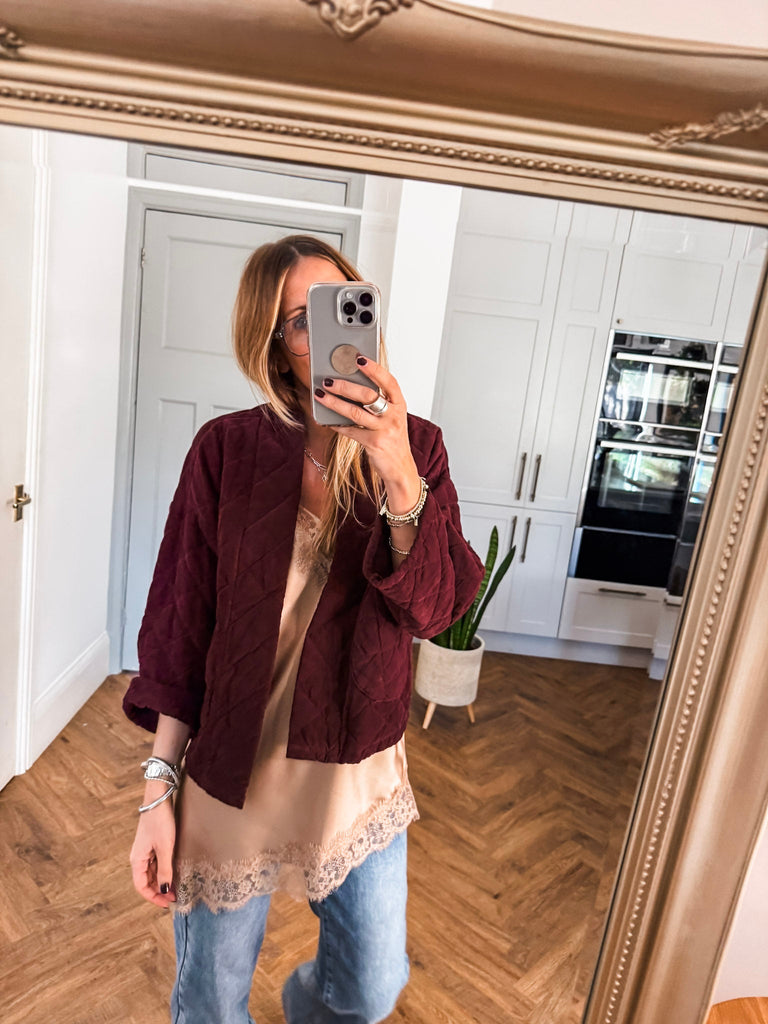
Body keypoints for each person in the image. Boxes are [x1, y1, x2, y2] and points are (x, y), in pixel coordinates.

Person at [124, 234, 484, 1024]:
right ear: (273, 348)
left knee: (369, 989)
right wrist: (157, 792)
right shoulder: (225, 450)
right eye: (299, 321)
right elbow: (181, 628)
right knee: (210, 1002)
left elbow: (435, 610)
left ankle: (301, 1004)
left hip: (356, 768)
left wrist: (398, 474)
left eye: (339, 304)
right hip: (234, 770)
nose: (324, 334)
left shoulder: (419, 447)